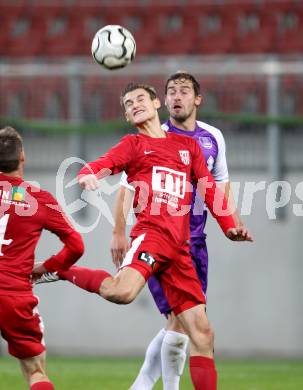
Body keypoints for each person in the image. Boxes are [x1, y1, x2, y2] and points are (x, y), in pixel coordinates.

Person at [39, 82, 252, 390]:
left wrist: (229, 225)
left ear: (156, 104)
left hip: (180, 249)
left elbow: (209, 190)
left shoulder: (188, 147)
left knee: (203, 334)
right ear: (127, 116)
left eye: (140, 99)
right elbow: (103, 164)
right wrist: (88, 175)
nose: (134, 104)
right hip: (151, 238)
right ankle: (60, 270)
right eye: (128, 103)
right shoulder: (133, 145)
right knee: (120, 293)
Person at [110, 71, 243, 390]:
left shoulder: (212, 138)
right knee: (186, 322)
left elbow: (219, 186)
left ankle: (145, 385)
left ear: (197, 99)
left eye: (185, 91)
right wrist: (118, 231)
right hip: (162, 239)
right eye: (172, 91)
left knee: (183, 323)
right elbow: (126, 188)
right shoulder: (152, 137)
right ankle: (147, 384)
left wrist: (233, 224)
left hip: (197, 242)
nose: (177, 96)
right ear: (163, 100)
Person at [0, 127, 84, 390]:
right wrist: (46, 268)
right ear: (22, 157)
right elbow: (76, 246)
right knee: (35, 369)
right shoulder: (39, 199)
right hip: (13, 294)